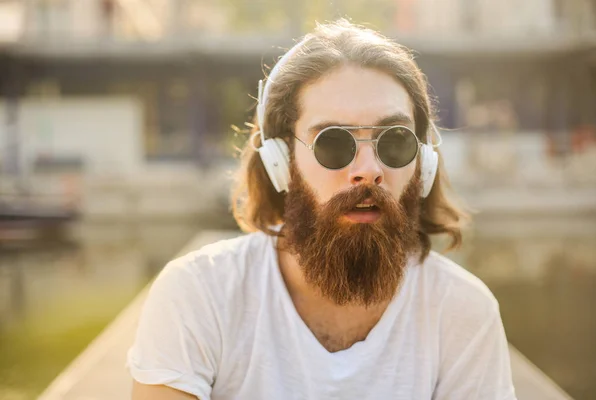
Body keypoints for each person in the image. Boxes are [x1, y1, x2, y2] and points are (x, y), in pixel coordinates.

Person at [128, 19, 517, 400]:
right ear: (281, 161)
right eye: (333, 143)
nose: (368, 171)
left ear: (425, 160)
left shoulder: (464, 310)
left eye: (395, 141)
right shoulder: (198, 294)